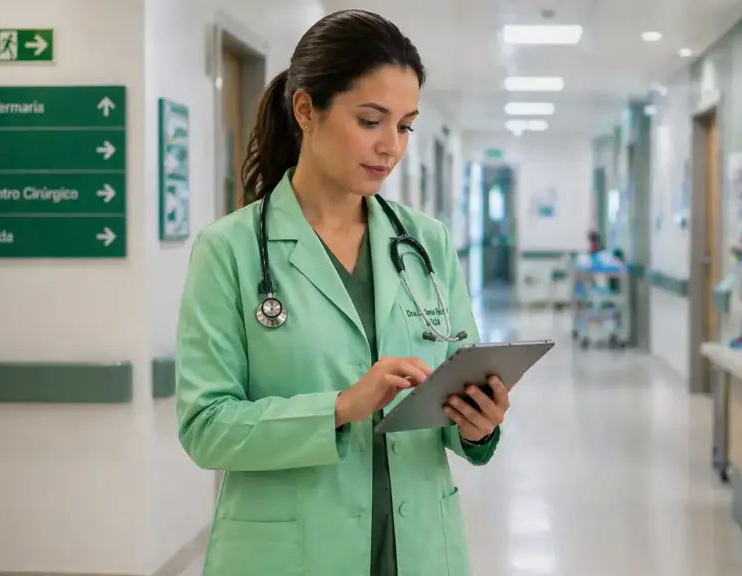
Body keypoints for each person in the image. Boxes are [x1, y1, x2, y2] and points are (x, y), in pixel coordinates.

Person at [174, 9, 508, 576]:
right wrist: (340, 408)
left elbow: (457, 385)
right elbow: (206, 428)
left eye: (404, 125)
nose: (391, 147)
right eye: (371, 120)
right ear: (307, 110)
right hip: (290, 554)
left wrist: (479, 424)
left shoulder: (425, 243)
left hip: (420, 547)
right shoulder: (228, 250)